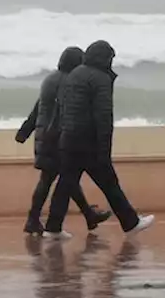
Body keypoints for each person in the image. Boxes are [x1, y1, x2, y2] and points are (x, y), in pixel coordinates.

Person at [43, 39, 155, 239]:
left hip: (68, 139)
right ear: (105, 59)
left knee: (65, 184)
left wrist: (56, 136)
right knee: (109, 183)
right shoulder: (101, 79)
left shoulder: (74, 74)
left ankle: (53, 228)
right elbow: (104, 117)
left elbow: (61, 108)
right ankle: (131, 223)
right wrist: (105, 150)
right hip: (89, 142)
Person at [16, 46, 112, 235]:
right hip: (58, 137)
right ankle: (33, 219)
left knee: (62, 179)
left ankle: (87, 215)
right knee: (60, 179)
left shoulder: (49, 79)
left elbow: (38, 109)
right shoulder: (69, 82)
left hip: (44, 136)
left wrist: (25, 131)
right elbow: (66, 112)